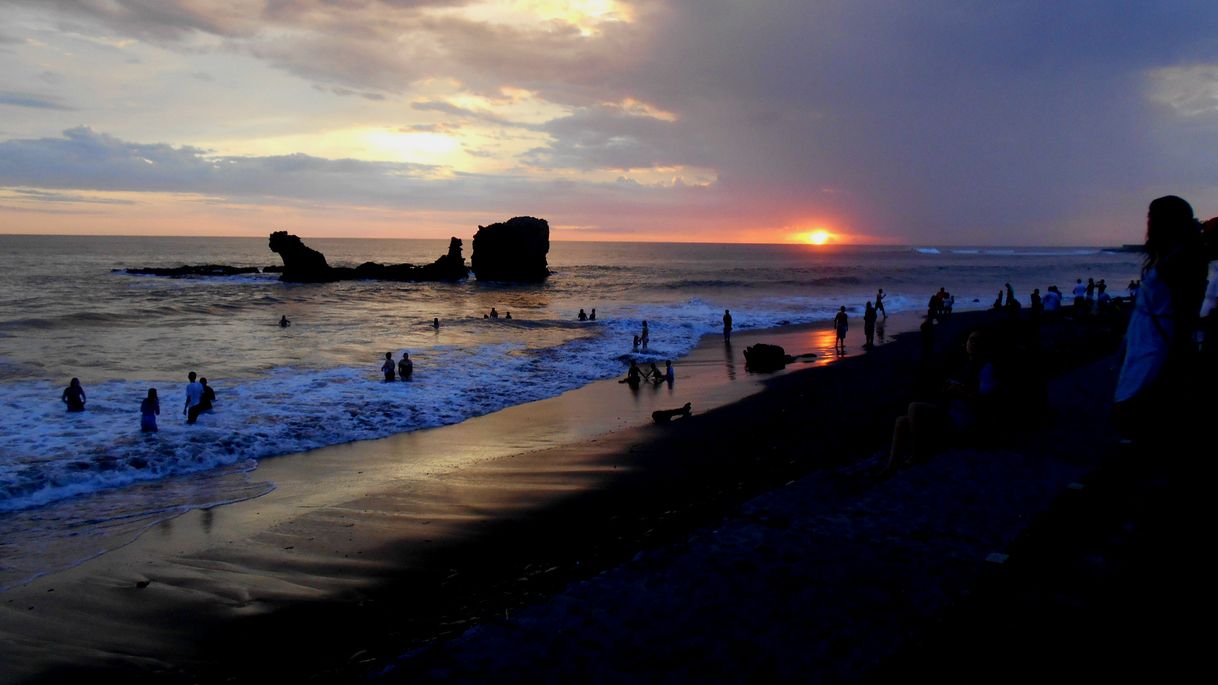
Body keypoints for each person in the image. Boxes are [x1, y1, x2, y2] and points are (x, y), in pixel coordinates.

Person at [1113, 195, 1208, 441]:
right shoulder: (1174, 255)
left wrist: (1180, 349)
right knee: (1134, 402)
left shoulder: (1180, 259)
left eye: (1152, 216)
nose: (1148, 221)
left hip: (1156, 342)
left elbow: (1185, 310)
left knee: (1136, 403)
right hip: (1146, 338)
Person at [886, 329, 1002, 471]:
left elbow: (984, 400)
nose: (972, 343)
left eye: (977, 340)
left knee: (914, 407)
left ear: (984, 345)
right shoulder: (968, 364)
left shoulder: (986, 368)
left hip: (963, 420)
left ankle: (918, 454)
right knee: (901, 421)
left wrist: (960, 391)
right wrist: (952, 388)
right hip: (952, 413)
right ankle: (892, 466)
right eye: (971, 339)